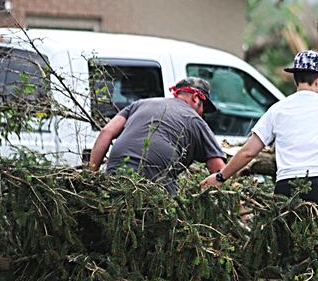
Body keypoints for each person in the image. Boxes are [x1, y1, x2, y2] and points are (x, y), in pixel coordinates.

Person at [200, 50, 318, 232]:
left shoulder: (277, 110)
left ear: (295, 78)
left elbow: (248, 152)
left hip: (289, 188)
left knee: (289, 253)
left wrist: (220, 177)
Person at [89, 77, 226, 195]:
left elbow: (106, 132)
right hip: (156, 179)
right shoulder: (196, 120)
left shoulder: (140, 104)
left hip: (117, 166)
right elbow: (218, 169)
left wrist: (91, 176)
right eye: (204, 109)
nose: (202, 114)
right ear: (196, 98)